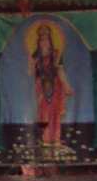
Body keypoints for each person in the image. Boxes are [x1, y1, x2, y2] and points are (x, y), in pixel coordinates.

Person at [29, 21, 68, 149]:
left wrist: (66, 85)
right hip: (41, 87)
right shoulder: (35, 55)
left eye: (46, 38)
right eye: (41, 38)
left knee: (55, 113)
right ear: (38, 41)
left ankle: (55, 140)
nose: (44, 41)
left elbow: (60, 70)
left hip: (55, 86)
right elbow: (30, 72)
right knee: (44, 113)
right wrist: (32, 63)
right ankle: (46, 140)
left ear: (50, 39)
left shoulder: (56, 54)